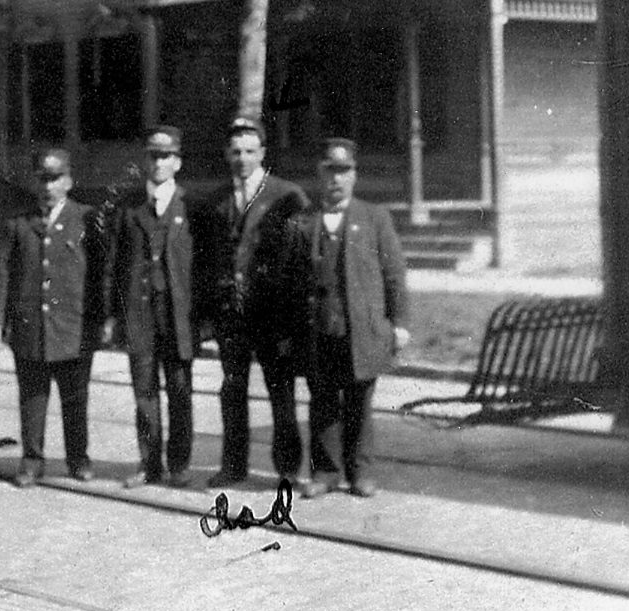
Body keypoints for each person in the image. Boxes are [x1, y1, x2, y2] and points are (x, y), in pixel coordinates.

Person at [282, 138, 409, 499]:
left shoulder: (374, 218)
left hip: (362, 329)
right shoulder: (302, 222)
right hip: (317, 329)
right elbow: (290, 282)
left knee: (359, 403)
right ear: (318, 175)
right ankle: (325, 472)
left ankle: (361, 472)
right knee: (321, 401)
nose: (336, 180)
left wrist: (399, 324)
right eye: (329, 171)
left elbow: (394, 275)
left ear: (354, 175)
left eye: (344, 171)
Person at [197, 117, 309, 489]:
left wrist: (292, 318)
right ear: (226, 155)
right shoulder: (215, 201)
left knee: (281, 392)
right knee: (232, 390)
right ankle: (233, 466)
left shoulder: (287, 195)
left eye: (249, 151)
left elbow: (300, 262)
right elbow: (207, 260)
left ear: (262, 153)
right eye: (235, 152)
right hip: (232, 317)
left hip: (273, 316)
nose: (241, 159)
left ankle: (288, 469)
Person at [0, 147, 100, 487]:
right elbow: (5, 274)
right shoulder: (18, 224)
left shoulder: (85, 219)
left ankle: (78, 458)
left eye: (55, 179)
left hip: (72, 327)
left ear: (68, 181)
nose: (48, 187)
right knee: (32, 399)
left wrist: (100, 320)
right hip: (30, 327)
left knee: (75, 399)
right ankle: (32, 460)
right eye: (43, 179)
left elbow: (98, 275)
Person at [104, 125, 197, 488]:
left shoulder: (190, 207)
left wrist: (199, 318)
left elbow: (198, 270)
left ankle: (179, 465)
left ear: (177, 162)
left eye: (166, 156)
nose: (159, 163)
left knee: (180, 391)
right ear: (145, 161)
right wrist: (114, 314)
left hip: (176, 317)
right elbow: (113, 264)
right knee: (144, 394)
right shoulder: (127, 208)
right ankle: (149, 464)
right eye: (153, 156)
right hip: (139, 315)